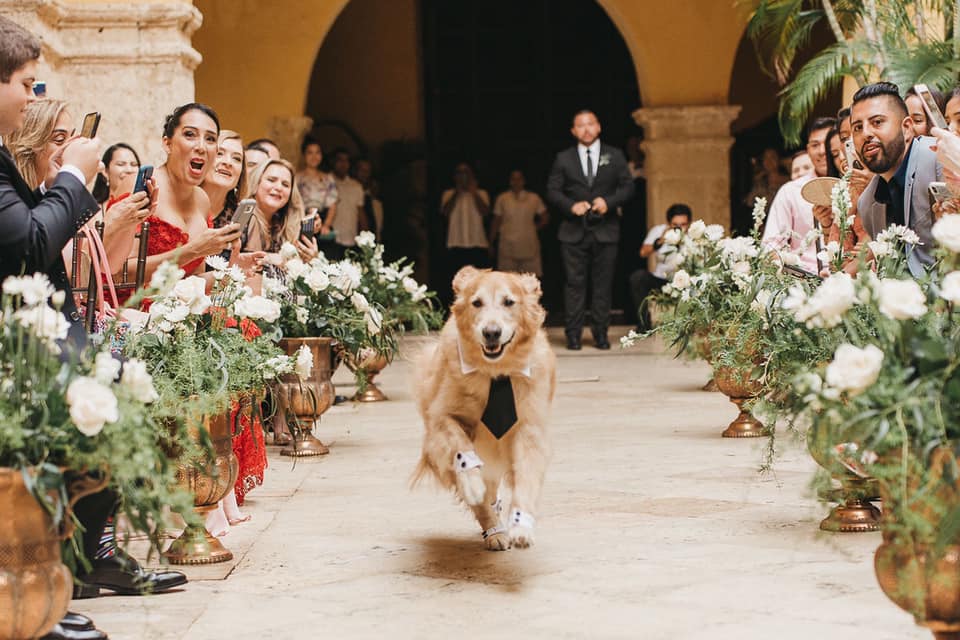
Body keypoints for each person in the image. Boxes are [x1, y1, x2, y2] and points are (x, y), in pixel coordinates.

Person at [0, 17, 182, 639]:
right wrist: (75, 182)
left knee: (122, 390)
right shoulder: (31, 183)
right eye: (29, 84)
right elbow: (30, 248)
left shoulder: (34, 185)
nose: (34, 93)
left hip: (47, 335)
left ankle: (74, 563)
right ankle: (44, 577)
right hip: (23, 347)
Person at [116, 103, 243, 305]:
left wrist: (233, 270)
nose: (201, 146)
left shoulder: (202, 199)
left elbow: (191, 282)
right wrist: (194, 250)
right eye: (190, 134)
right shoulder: (140, 186)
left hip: (179, 316)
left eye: (210, 139)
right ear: (168, 144)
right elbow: (117, 273)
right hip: (131, 314)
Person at [546, 109, 634, 350]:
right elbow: (553, 190)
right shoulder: (563, 158)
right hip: (573, 232)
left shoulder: (614, 155)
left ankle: (600, 334)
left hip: (606, 230)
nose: (586, 129)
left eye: (590, 124)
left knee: (603, 284)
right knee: (574, 284)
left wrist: (609, 202)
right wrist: (571, 206)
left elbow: (628, 187)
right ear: (573, 131)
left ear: (598, 127)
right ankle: (573, 334)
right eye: (580, 125)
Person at [851, 81, 938, 275]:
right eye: (857, 127)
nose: (866, 133)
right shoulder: (867, 203)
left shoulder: (938, 159)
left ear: (907, 128)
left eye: (877, 122)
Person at [761, 118, 835, 273]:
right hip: (804, 282)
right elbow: (771, 245)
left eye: (827, 143)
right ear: (808, 150)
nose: (822, 151)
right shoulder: (790, 192)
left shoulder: (856, 184)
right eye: (815, 145)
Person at [629, 204, 691, 332]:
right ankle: (644, 324)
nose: (679, 228)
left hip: (687, 282)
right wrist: (661, 240)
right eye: (675, 225)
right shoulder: (659, 231)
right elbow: (643, 253)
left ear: (689, 223)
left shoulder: (695, 234)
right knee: (638, 277)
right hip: (661, 280)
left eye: (683, 224)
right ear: (669, 223)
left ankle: (689, 324)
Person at [243, 158, 317, 262]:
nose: (278, 187)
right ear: (256, 182)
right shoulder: (244, 217)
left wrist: (308, 259)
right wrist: (281, 259)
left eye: (285, 185)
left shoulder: (284, 226)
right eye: (271, 180)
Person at [489, 169, 547, 275]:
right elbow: (496, 221)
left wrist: (535, 228)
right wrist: (491, 242)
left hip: (528, 244)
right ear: (510, 181)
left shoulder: (533, 198)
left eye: (519, 179)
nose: (516, 181)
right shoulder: (502, 198)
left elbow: (545, 217)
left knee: (529, 282)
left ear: (523, 181)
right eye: (513, 179)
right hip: (507, 246)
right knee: (508, 282)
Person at [441, 162, 491, 282]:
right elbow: (445, 212)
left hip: (477, 244)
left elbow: (485, 212)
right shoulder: (448, 194)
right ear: (455, 176)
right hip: (456, 244)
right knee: (458, 283)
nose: (463, 176)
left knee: (480, 282)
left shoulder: (482, 193)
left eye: (466, 173)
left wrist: (474, 193)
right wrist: (457, 192)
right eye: (460, 173)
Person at [295, 136, 338, 238]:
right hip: (301, 218)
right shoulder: (297, 178)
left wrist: (326, 225)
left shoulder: (328, 178)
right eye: (310, 152)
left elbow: (333, 205)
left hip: (322, 219)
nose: (314, 156)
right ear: (304, 155)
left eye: (317, 152)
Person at [202, 129, 247, 226]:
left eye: (236, 158)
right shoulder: (179, 201)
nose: (228, 162)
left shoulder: (242, 218)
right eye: (219, 153)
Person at [329, 148, 368, 259]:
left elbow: (361, 214)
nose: (343, 164)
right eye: (340, 160)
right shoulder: (325, 181)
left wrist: (366, 241)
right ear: (333, 162)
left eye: (346, 161)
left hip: (351, 240)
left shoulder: (356, 186)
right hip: (330, 240)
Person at [355, 157, 383, 240]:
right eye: (362, 170)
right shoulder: (350, 195)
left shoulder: (374, 201)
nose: (365, 174)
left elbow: (378, 227)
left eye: (368, 171)